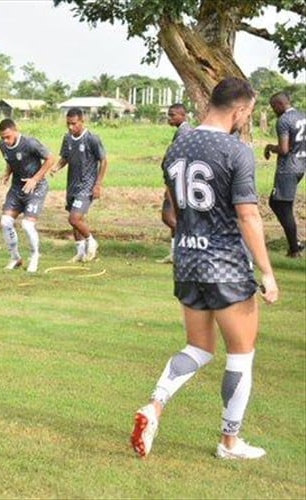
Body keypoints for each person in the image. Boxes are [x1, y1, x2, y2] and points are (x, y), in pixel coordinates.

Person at [130, 77, 279, 460]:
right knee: (241, 354)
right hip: (226, 264)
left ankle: (155, 405)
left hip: (187, 259)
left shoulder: (178, 144)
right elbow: (247, 214)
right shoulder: (237, 150)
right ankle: (230, 441)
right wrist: (266, 272)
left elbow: (175, 210)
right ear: (241, 110)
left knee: (198, 348)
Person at [0, 119, 56, 273]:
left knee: (27, 225)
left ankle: (35, 256)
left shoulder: (30, 143)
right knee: (5, 222)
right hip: (17, 188)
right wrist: (7, 173)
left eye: (8, 137)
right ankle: (15, 257)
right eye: (3, 137)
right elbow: (10, 160)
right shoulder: (2, 145)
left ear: (16, 131)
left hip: (36, 188)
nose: (5, 141)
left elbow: (50, 158)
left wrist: (35, 179)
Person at [51, 108, 108, 262]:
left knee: (74, 218)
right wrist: (56, 167)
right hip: (72, 186)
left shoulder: (92, 139)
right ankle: (80, 253)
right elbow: (65, 158)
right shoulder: (67, 138)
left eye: (74, 124)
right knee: (74, 219)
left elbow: (103, 161)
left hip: (87, 185)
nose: (70, 127)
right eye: (68, 124)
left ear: (82, 121)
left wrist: (98, 185)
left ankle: (92, 241)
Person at [263, 91, 305, 258]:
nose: (274, 111)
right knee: (279, 203)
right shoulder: (302, 116)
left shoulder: (284, 120)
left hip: (287, 168)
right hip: (301, 166)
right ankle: (295, 243)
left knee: (280, 205)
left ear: (280, 105)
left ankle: (295, 248)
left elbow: (284, 149)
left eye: (274, 107)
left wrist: (269, 147)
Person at [157, 103, 193, 264]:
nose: (169, 118)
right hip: (176, 179)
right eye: (169, 115)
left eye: (173, 115)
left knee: (168, 216)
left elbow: (180, 159)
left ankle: (186, 247)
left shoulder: (184, 132)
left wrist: (171, 184)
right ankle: (175, 253)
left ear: (182, 115)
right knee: (173, 216)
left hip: (177, 181)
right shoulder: (182, 131)